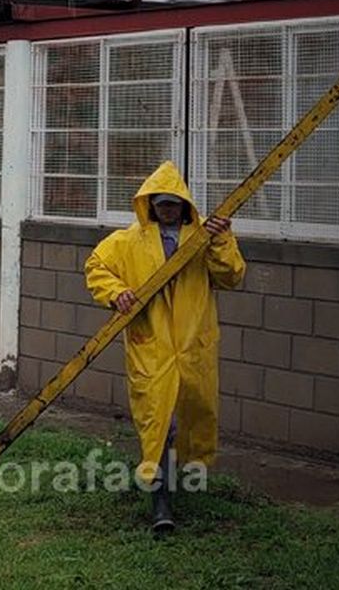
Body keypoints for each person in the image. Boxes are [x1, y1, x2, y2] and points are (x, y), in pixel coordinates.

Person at [85, 161, 246, 534]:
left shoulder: (204, 239)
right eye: (161, 203)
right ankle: (161, 504)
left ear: (185, 204)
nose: (167, 209)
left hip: (193, 347)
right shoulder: (129, 241)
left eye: (174, 203)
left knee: (193, 419)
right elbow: (96, 266)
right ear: (150, 204)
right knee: (159, 423)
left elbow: (232, 275)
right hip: (151, 347)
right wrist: (117, 293)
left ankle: (181, 484)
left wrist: (220, 240)